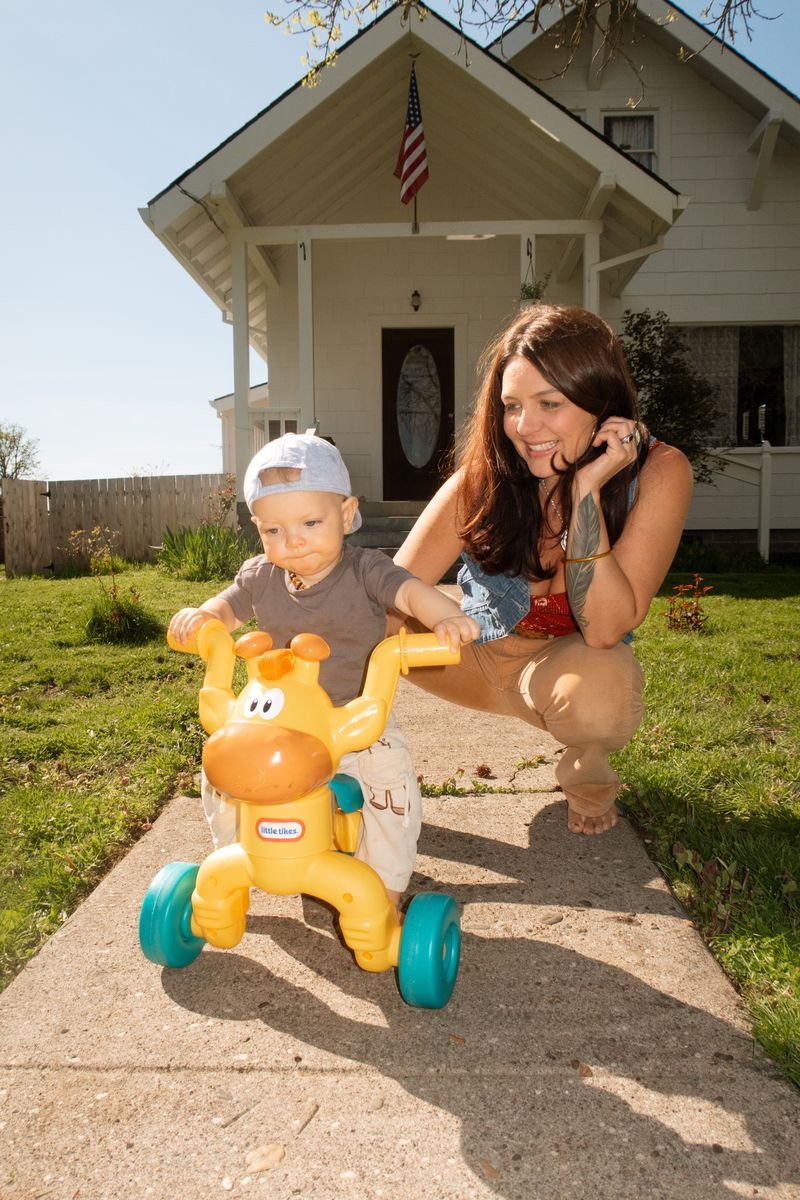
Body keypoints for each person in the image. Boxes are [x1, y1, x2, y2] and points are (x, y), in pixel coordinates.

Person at [393, 304, 694, 836]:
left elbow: (605, 627)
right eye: (512, 406)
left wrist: (585, 494)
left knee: (602, 692)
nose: (524, 427)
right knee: (367, 621)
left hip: (563, 672)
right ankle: (335, 765)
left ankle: (587, 774)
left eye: (548, 403)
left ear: (599, 400)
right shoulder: (483, 477)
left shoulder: (659, 472)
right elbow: (389, 590)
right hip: (472, 656)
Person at [169, 430, 479, 908]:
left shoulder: (366, 570)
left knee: (389, 781)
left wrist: (444, 615)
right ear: (259, 530)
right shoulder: (260, 576)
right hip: (278, 723)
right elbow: (228, 608)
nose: (293, 541)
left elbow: (410, 592)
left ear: (347, 515)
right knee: (222, 768)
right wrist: (205, 618)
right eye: (273, 530)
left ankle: (387, 884)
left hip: (354, 721)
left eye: (310, 522)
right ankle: (235, 853)